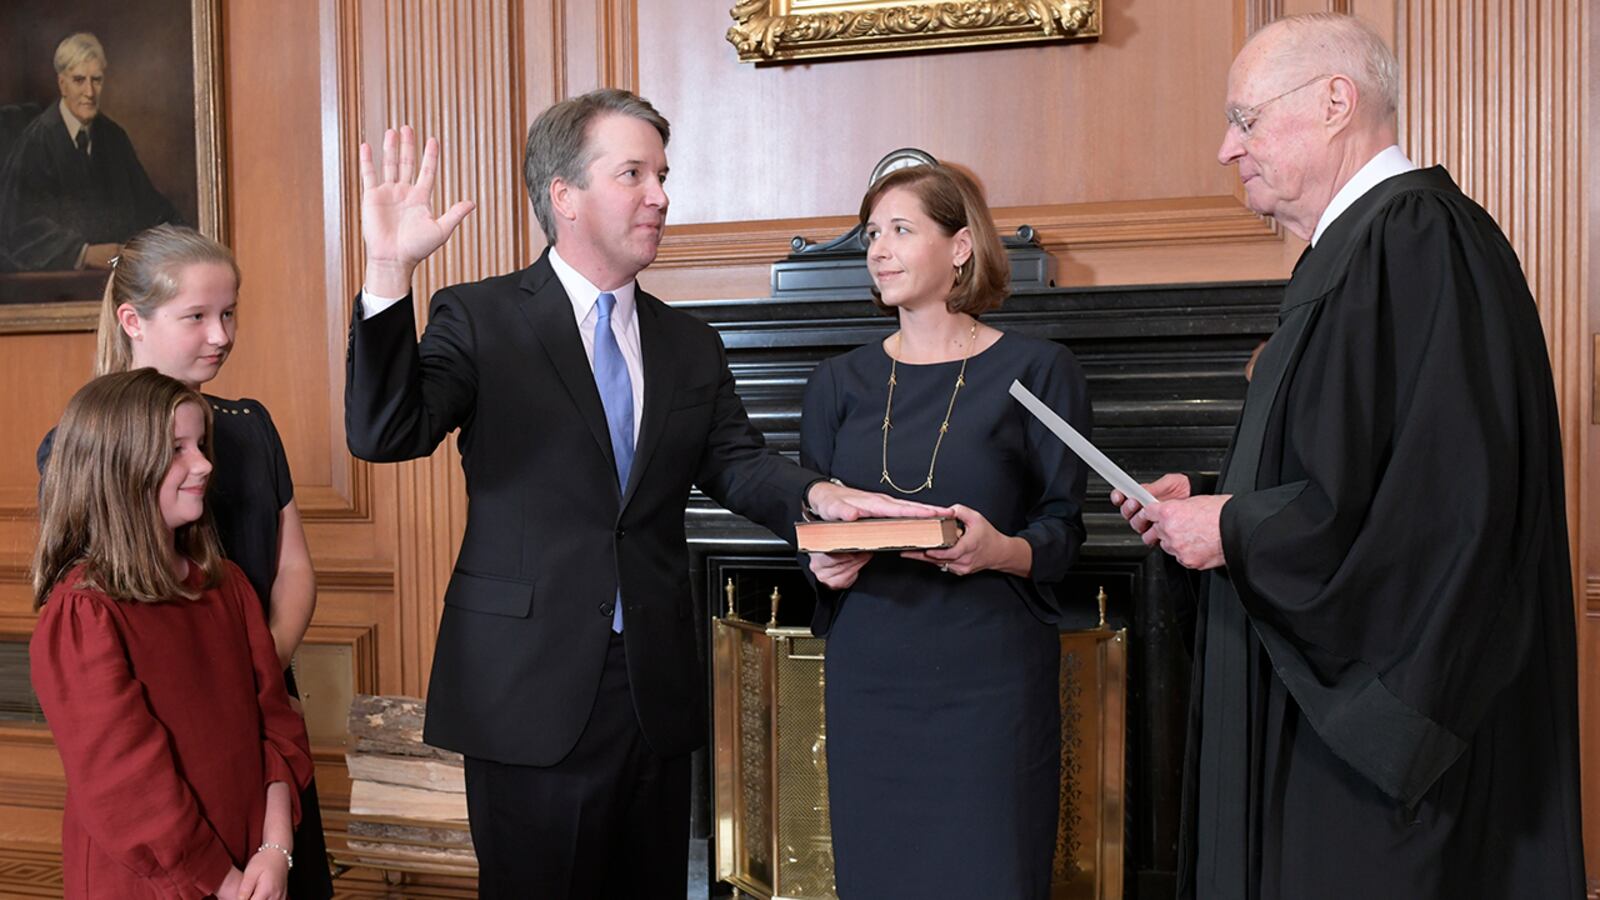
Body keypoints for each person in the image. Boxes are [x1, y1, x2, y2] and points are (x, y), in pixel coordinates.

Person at [345, 89, 942, 899]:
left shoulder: (686, 341)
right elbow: (387, 433)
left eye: (662, 174)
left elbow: (736, 461)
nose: (661, 195)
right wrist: (389, 273)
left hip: (652, 691)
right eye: (634, 173)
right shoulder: (481, 317)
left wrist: (826, 498)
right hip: (528, 691)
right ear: (565, 196)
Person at [1111, 13, 1585, 898]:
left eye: (1244, 119)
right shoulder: (1365, 248)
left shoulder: (1416, 241)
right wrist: (1213, 504)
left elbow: (1444, 508)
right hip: (1318, 724)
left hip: (1375, 762)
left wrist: (1242, 529)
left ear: (1337, 101)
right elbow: (1349, 472)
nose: (1225, 149)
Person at [800, 163, 1089, 898]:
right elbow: (814, 522)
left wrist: (1002, 550)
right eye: (872, 234)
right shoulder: (837, 383)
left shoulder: (1038, 370)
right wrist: (823, 566)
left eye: (901, 230)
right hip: (871, 674)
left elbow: (1064, 529)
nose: (878, 250)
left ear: (961, 247)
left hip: (988, 679)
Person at [35, 224, 333, 899]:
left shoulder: (247, 431)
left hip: (259, 749)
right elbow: (121, 759)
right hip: (173, 797)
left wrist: (248, 670)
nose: (222, 334)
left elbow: (292, 570)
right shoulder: (83, 451)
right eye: (197, 316)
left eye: (229, 314)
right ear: (132, 320)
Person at [0, 32, 179, 272]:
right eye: (79, 80)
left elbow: (147, 205)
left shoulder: (113, 137)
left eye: (96, 80)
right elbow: (20, 227)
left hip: (114, 274)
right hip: (56, 284)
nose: (89, 92)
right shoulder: (38, 140)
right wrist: (84, 253)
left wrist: (182, 237)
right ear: (62, 84)